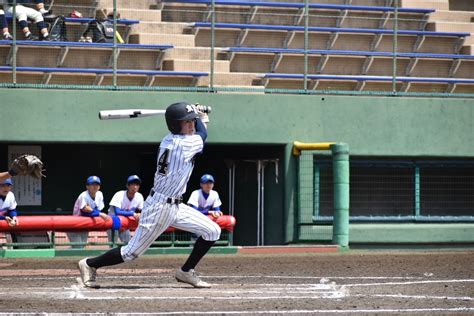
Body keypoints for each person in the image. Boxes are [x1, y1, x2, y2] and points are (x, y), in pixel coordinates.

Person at [78, 101, 220, 289]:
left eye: (192, 121)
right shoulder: (183, 144)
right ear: (176, 124)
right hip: (159, 207)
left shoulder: (168, 139)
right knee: (131, 253)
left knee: (212, 231)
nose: (192, 124)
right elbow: (203, 134)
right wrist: (202, 116)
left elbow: (198, 133)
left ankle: (186, 271)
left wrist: (196, 115)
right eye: (188, 122)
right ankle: (89, 264)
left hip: (176, 205)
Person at [67, 175, 108, 249]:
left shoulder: (99, 194)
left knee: (81, 247)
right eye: (92, 184)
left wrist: (92, 210)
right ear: (87, 186)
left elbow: (98, 209)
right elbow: (84, 212)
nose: (94, 186)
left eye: (96, 184)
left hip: (84, 225)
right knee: (78, 248)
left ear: (99, 187)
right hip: (74, 226)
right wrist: (98, 213)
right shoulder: (83, 196)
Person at [107, 175, 144, 244]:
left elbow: (142, 211)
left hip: (125, 223)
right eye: (132, 184)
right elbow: (117, 212)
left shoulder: (139, 196)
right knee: (113, 244)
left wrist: (140, 214)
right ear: (127, 186)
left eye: (137, 184)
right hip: (113, 222)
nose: (135, 187)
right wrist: (133, 213)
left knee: (128, 244)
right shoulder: (119, 194)